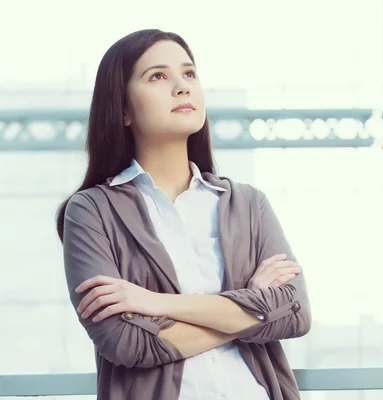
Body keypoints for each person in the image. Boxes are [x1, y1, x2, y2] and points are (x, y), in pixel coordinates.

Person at [55, 29, 311, 400]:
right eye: (157, 76)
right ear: (123, 109)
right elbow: (127, 343)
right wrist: (252, 307)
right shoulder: (92, 211)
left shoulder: (249, 204)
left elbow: (295, 312)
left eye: (189, 74)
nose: (182, 86)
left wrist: (154, 303)